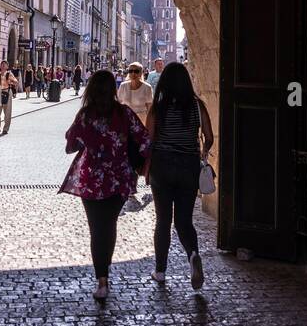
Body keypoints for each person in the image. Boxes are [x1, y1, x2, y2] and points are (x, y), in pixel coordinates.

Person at [61, 70, 151, 300]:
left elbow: (71, 145)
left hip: (91, 179)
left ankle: (101, 279)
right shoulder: (124, 113)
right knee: (109, 225)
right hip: (118, 178)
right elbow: (145, 141)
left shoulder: (86, 114)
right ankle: (105, 276)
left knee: (95, 228)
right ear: (113, 89)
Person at [144, 62, 214, 290]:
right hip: (188, 166)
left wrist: (146, 168)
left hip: (162, 166)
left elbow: (149, 139)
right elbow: (209, 135)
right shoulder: (197, 106)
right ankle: (193, 255)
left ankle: (161, 271)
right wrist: (202, 152)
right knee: (184, 220)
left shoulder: (159, 107)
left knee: (163, 220)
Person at [0, 60, 19, 135]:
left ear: (7, 67)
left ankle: (5, 129)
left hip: (7, 92)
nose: (2, 66)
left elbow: (16, 82)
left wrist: (11, 82)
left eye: (4, 64)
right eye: (2, 64)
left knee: (7, 112)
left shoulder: (9, 73)